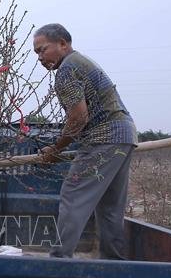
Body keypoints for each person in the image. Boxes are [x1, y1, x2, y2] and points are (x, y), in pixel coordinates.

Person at [33, 23, 138, 259]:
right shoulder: (80, 62)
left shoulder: (67, 69)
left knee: (73, 197)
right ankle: (113, 264)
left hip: (104, 139)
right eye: (36, 53)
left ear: (63, 44)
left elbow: (79, 117)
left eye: (43, 49)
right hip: (124, 136)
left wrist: (56, 149)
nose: (40, 58)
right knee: (110, 207)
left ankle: (59, 261)